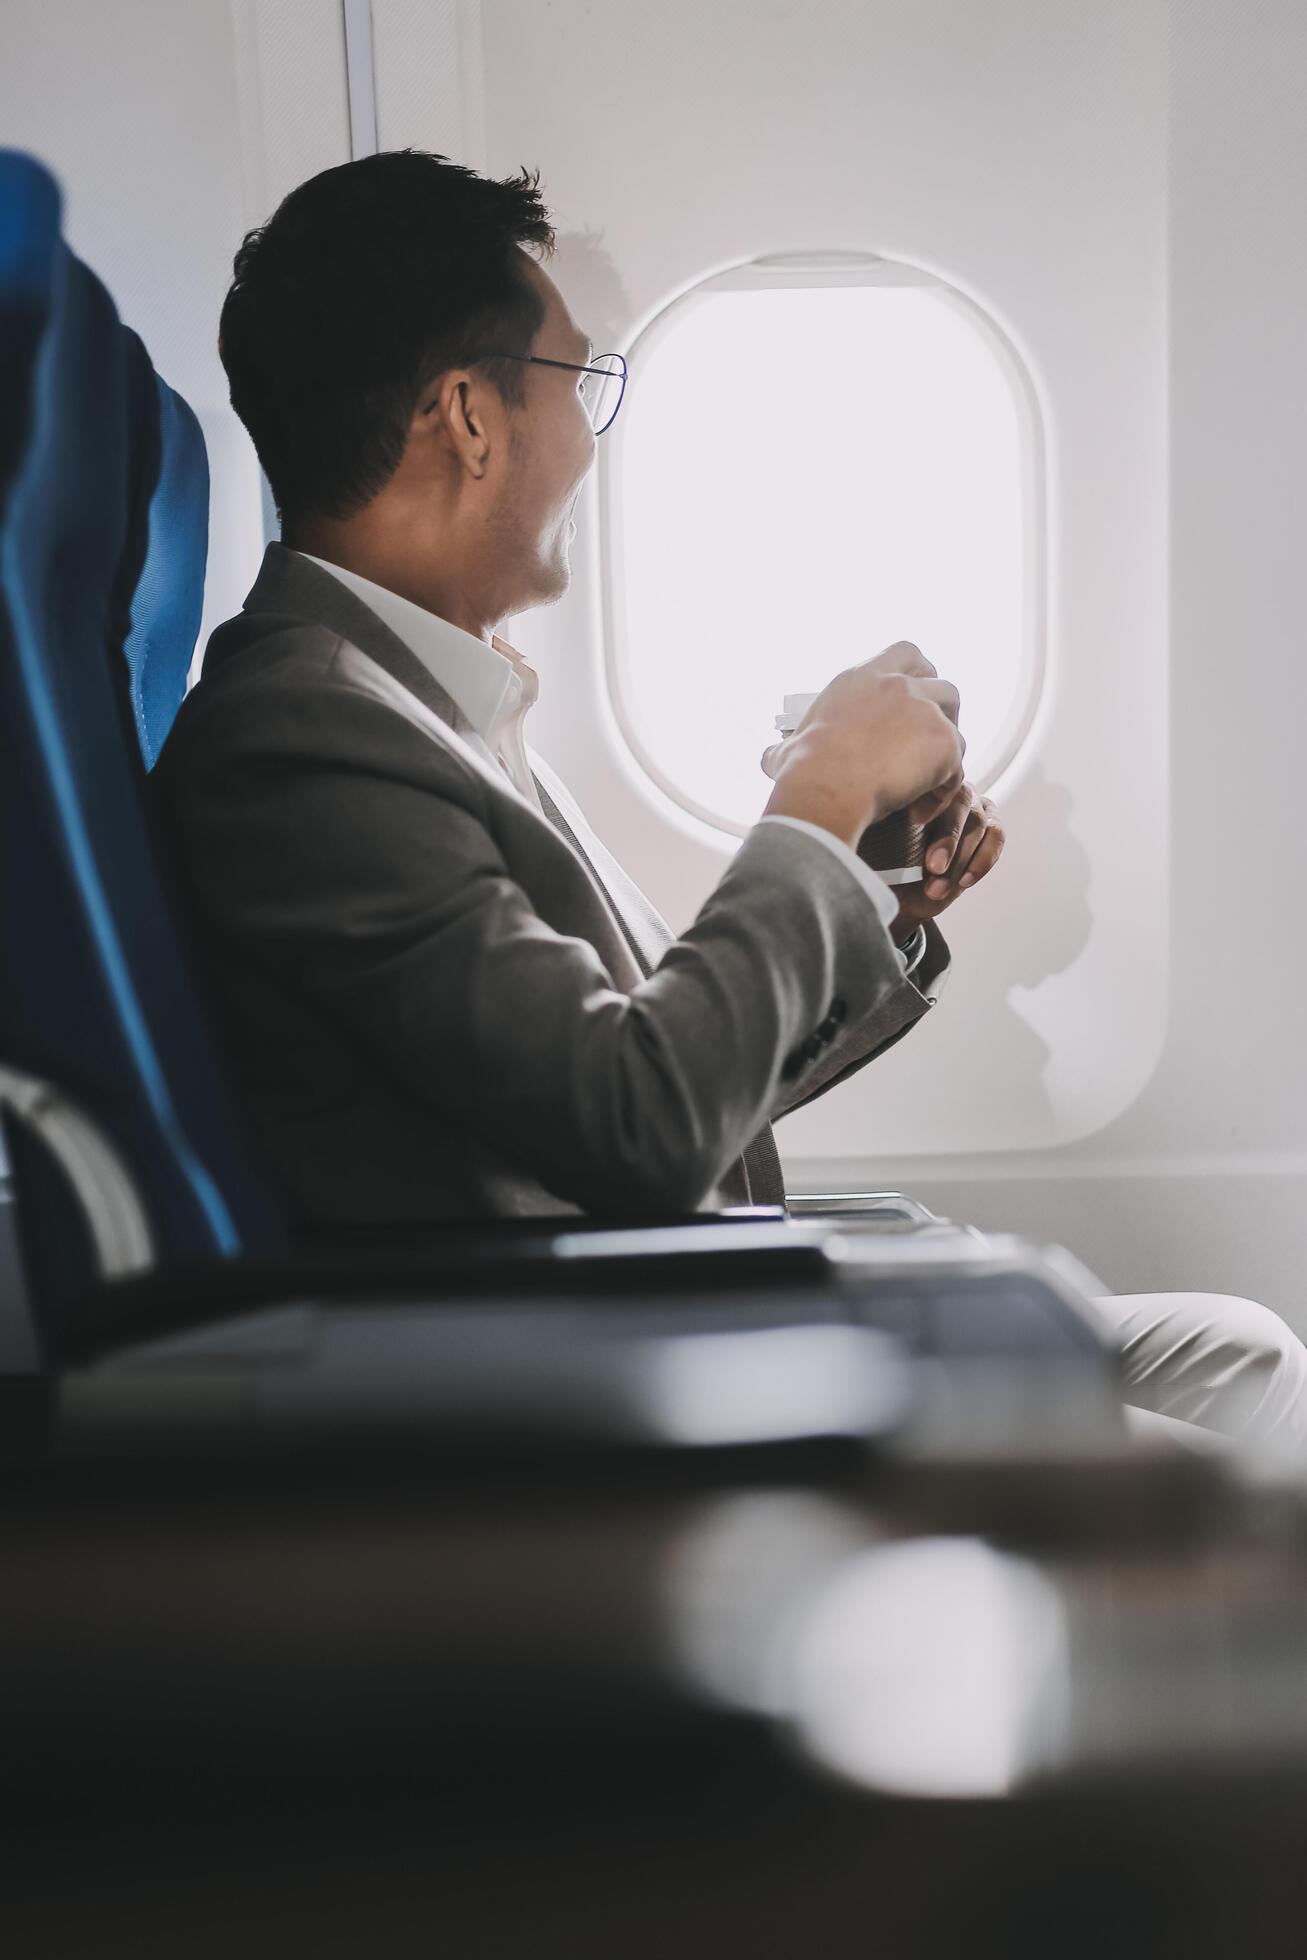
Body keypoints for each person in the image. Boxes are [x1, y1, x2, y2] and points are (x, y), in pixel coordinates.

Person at [150, 150, 1307, 1452]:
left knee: (1242, 1352)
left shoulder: (434, 705)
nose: (591, 434)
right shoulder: (303, 745)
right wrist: (818, 792)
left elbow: (674, 1069)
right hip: (586, 1380)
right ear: (468, 418)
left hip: (662, 1307)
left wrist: (870, 890)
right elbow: (639, 1127)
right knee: (1233, 1468)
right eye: (578, 380)